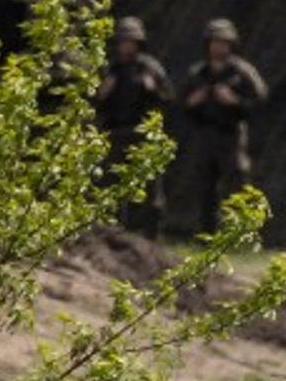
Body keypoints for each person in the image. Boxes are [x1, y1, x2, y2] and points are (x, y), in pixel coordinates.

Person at [179, 17, 269, 233]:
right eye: (215, 42)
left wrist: (235, 101)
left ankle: (241, 233)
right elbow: (180, 102)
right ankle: (208, 235)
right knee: (206, 188)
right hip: (205, 134)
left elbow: (260, 100)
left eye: (224, 42)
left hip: (232, 134)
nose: (219, 46)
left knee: (238, 184)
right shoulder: (198, 73)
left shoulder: (242, 72)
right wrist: (193, 102)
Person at [95, 16, 173, 236]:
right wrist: (103, 93)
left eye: (131, 42)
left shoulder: (150, 68)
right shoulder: (111, 69)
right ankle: (112, 233)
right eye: (123, 41)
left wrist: (152, 89)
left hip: (143, 134)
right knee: (112, 185)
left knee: (149, 188)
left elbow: (169, 99)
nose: (127, 46)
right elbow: (94, 103)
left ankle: (150, 236)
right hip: (116, 132)